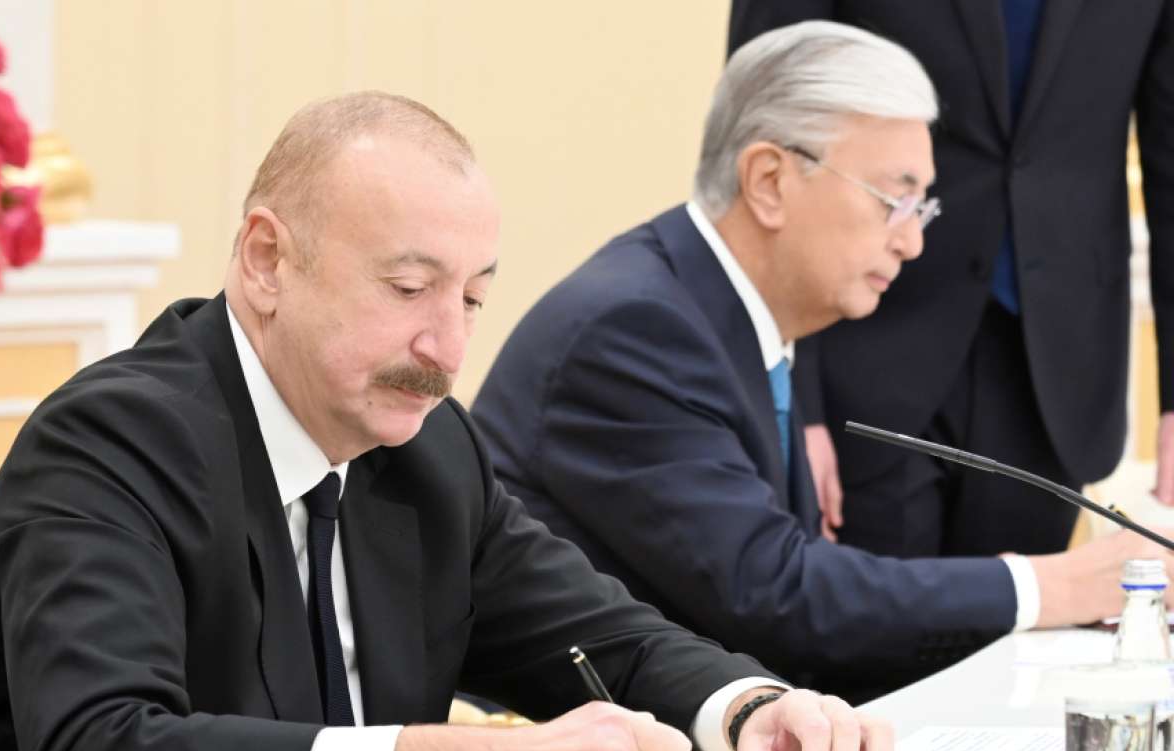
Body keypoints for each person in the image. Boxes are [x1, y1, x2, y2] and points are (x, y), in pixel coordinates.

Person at [0, 92, 908, 751]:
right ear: (265, 260)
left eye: (471, 299)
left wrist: (750, 710)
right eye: (409, 287)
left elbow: (599, 638)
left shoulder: (428, 451)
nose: (447, 348)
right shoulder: (109, 442)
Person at [471, 22, 1174, 703]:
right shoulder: (635, 330)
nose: (912, 243)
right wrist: (1056, 585)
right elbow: (775, 594)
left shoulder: (733, 316)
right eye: (894, 200)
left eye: (922, 209)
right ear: (769, 181)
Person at [725, 1, 1174, 558]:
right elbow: (763, 120)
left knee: (1032, 608)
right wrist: (794, 403)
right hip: (858, 356)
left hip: (1055, 375)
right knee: (861, 609)